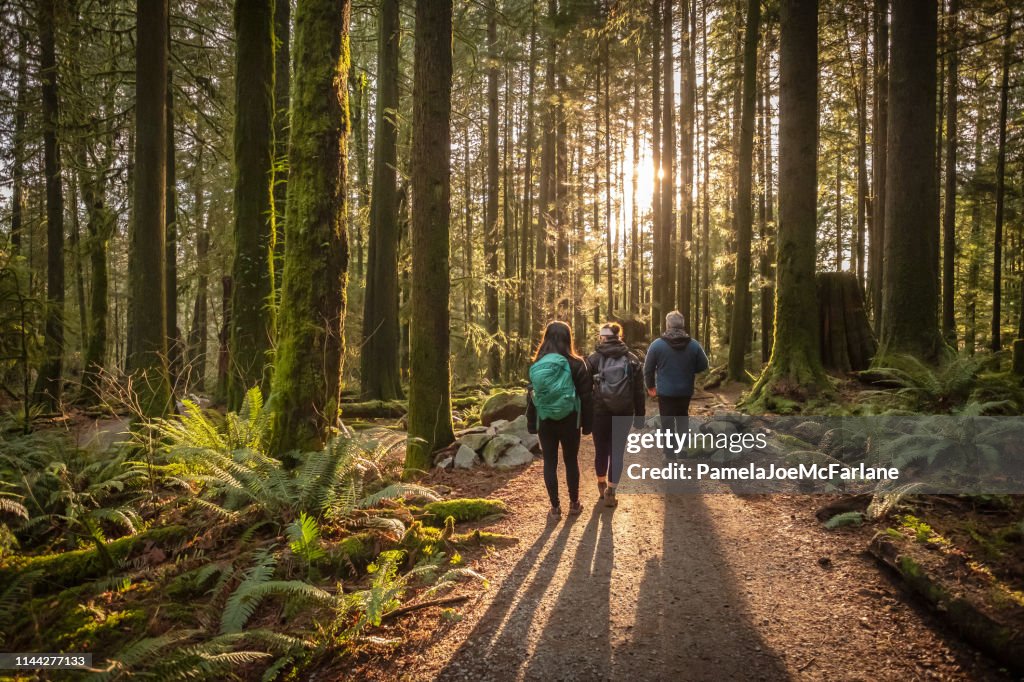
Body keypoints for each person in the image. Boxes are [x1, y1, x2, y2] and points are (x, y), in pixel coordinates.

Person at [527, 321, 594, 519]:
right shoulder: (577, 363)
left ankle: (555, 508)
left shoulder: (537, 364)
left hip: (545, 420)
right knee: (571, 460)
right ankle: (574, 504)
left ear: (546, 338)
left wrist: (532, 424)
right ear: (568, 338)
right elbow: (586, 397)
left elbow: (531, 397)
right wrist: (588, 425)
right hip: (570, 420)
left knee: (550, 461)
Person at [587, 322, 645, 508]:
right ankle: (611, 491)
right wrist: (640, 416)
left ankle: (601, 483)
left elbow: (586, 389)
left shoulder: (593, 359)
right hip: (624, 411)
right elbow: (638, 391)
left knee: (601, 449)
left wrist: (586, 415)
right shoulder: (632, 359)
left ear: (602, 337)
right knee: (617, 451)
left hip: (599, 411)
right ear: (620, 336)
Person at [643, 311, 709, 458]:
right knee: (682, 418)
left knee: (667, 421)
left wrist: (650, 386)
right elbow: (704, 364)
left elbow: (647, 368)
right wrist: (691, 369)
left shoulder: (657, 345)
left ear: (667, 325)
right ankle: (683, 450)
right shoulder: (693, 344)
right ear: (682, 324)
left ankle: (669, 453)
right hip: (685, 390)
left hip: (665, 391)